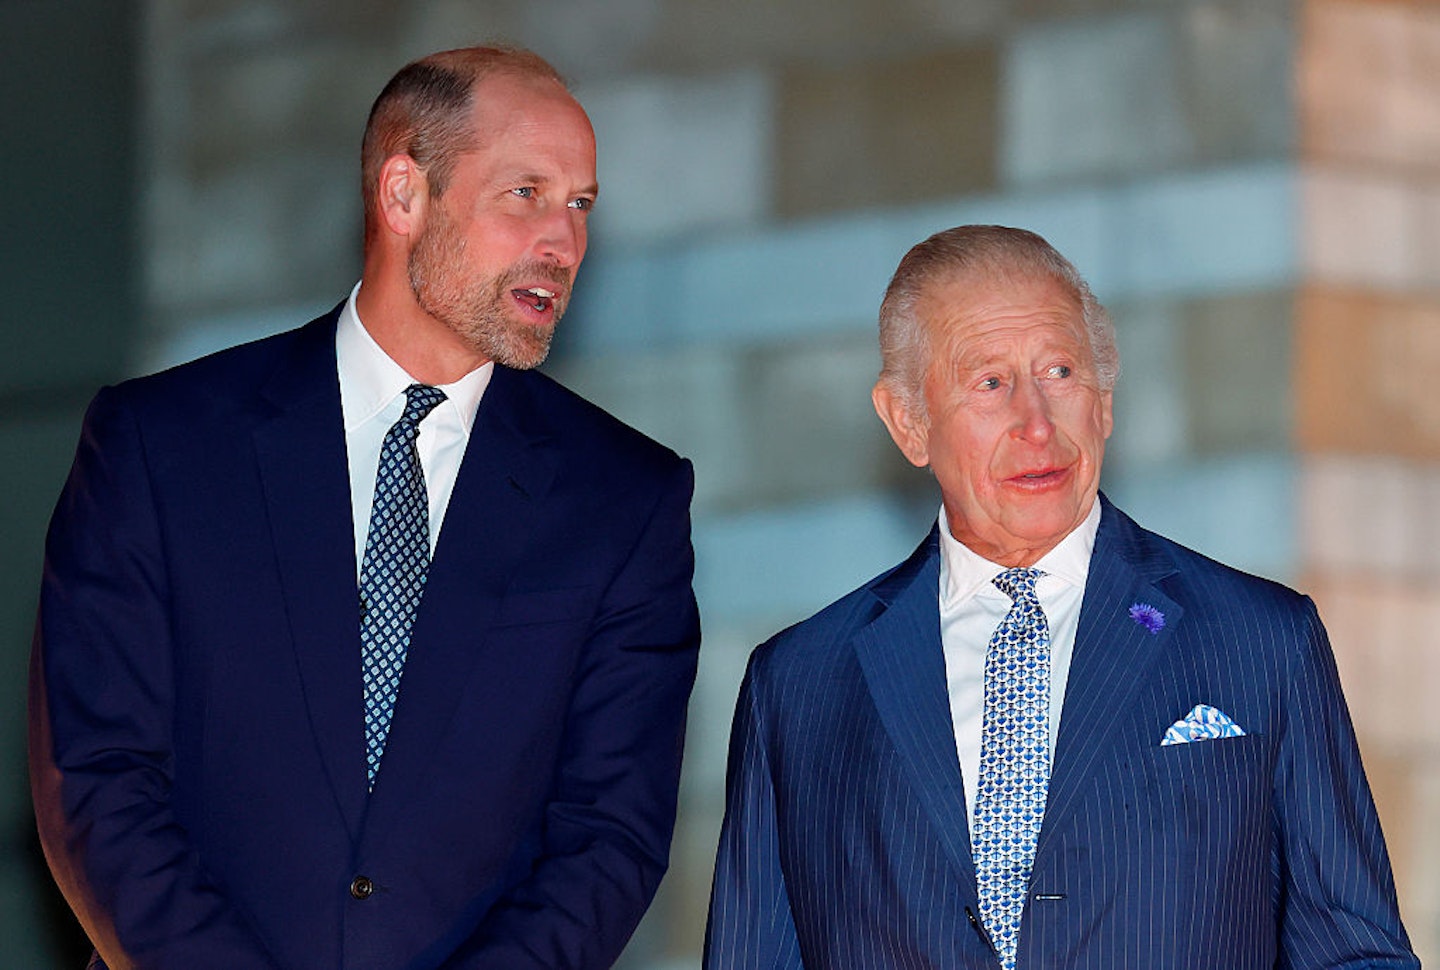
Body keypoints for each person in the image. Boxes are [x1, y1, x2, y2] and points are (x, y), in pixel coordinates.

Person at [30, 46, 700, 970]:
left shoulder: (627, 498)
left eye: (581, 204)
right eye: (526, 194)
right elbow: (98, 782)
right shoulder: (162, 444)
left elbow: (608, 837)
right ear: (402, 195)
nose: (565, 241)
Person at [703, 225, 1417, 969]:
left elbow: (1354, 953)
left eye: (1061, 372)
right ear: (909, 422)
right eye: (989, 383)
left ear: (1105, 400)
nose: (1036, 423)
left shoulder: (1263, 640)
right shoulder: (799, 686)